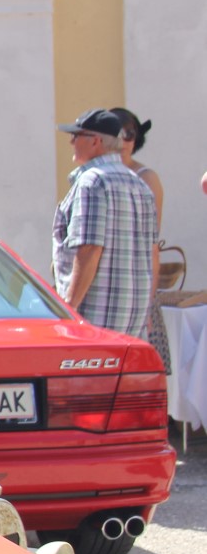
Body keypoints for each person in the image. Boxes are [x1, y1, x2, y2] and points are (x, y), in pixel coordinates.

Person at [51, 109, 158, 339]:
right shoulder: (140, 185)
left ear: (96, 141)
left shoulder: (93, 181)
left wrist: (69, 307)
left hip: (96, 319)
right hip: (132, 320)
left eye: (76, 136)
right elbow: (150, 252)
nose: (71, 142)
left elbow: (89, 248)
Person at [112, 107, 168, 373]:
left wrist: (149, 299)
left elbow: (151, 245)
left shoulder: (146, 177)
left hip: (135, 283)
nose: (124, 141)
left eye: (130, 134)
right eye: (117, 134)